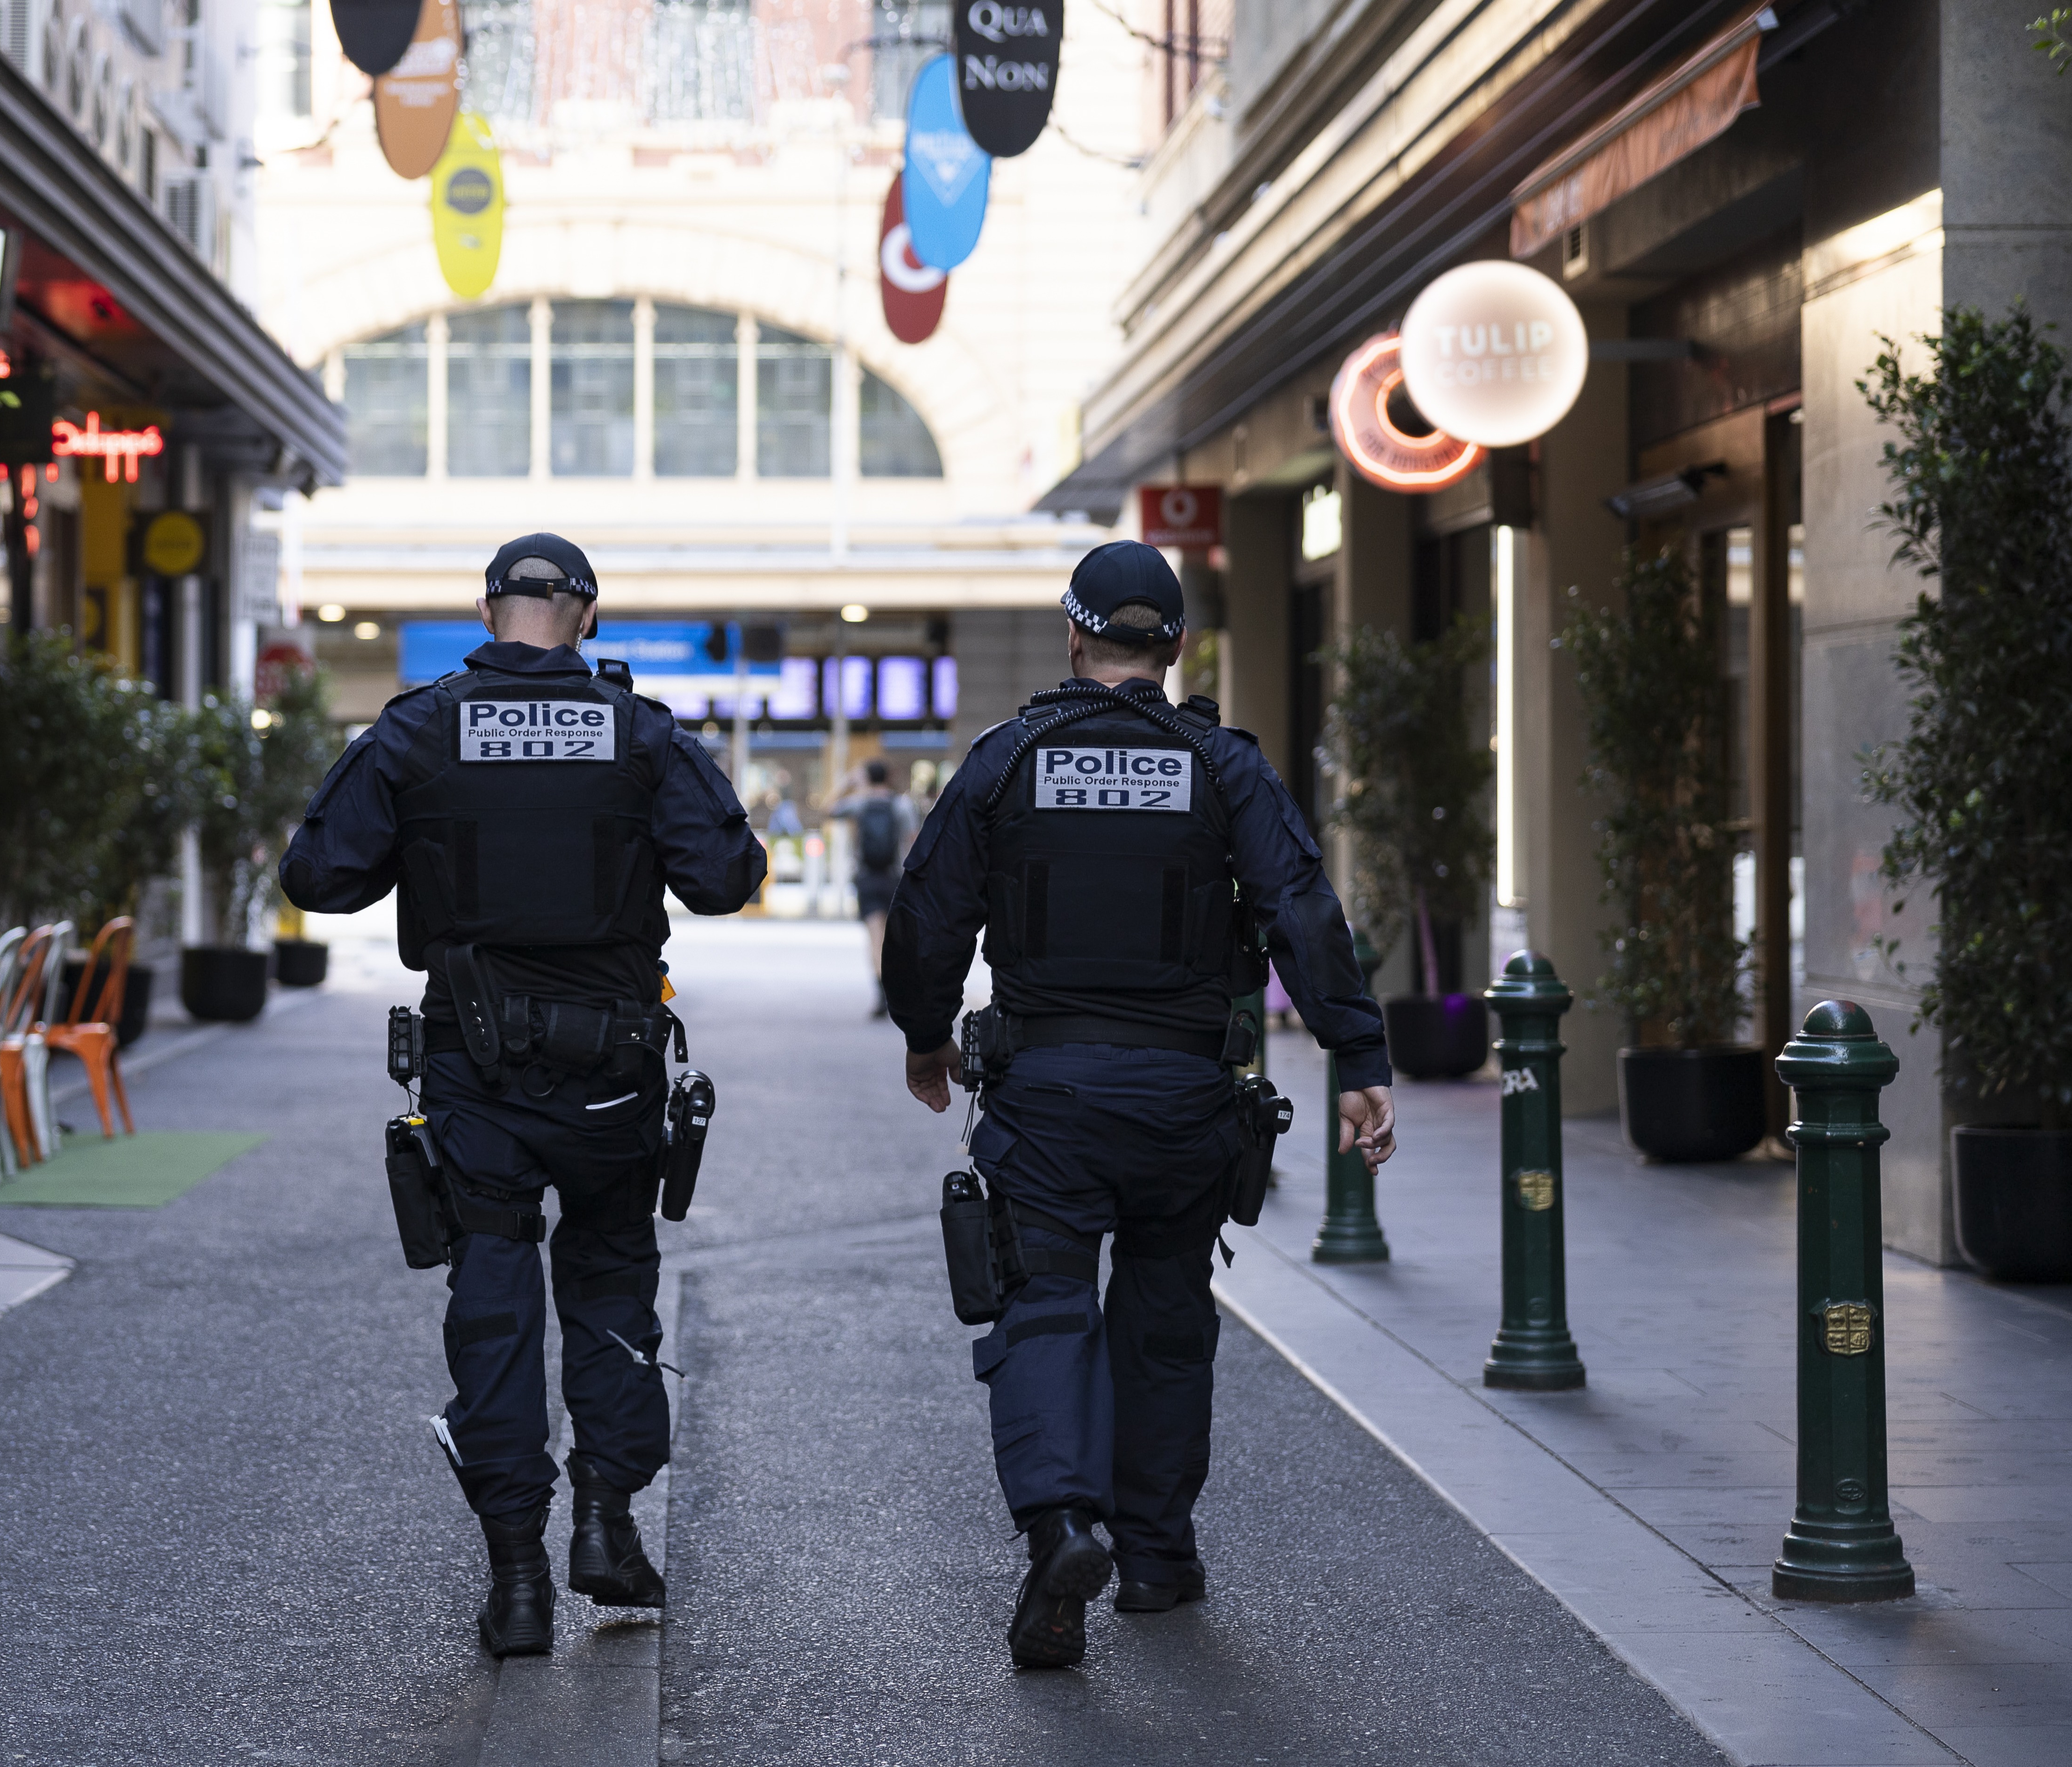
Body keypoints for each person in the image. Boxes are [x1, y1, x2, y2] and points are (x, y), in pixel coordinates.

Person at [880, 540, 1395, 1669]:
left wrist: (925, 1034)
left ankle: (1063, 1526)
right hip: (1184, 1102)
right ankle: (1157, 1559)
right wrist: (1360, 1058)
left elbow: (926, 912)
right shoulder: (1222, 767)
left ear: (1073, 636)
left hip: (1047, 1096)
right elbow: (1303, 910)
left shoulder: (1007, 760)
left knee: (1045, 1310)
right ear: (1173, 648)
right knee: (1164, 1323)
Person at [280, 533, 768, 1658]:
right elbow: (727, 878)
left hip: (474, 1073)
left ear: (489, 611)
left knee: (492, 1305)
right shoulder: (642, 734)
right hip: (610, 1078)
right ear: (587, 616)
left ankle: (516, 1583)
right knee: (608, 1286)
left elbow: (320, 876)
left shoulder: (417, 726)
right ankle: (605, 1522)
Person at [827, 759, 919, 1016]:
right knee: (896, 939)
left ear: (867, 777)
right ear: (888, 778)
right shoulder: (902, 805)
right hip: (895, 878)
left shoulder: (859, 803)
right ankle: (898, 991)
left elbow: (828, 809)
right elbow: (914, 842)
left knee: (875, 938)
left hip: (867, 878)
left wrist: (849, 784)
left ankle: (881, 994)